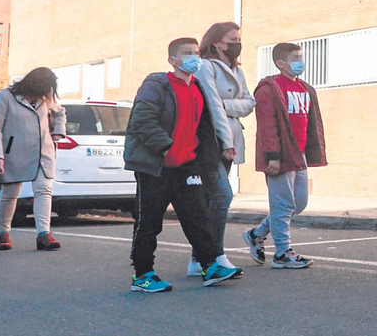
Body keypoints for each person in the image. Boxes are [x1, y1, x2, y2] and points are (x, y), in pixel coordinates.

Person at [124, 38, 241, 293]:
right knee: (149, 222)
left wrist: (203, 158)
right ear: (172, 60)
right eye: (187, 54)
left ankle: (210, 266)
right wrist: (167, 148)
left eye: (196, 53)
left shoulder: (197, 87)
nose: (194, 58)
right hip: (156, 166)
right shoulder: (157, 84)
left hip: (187, 166)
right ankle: (142, 275)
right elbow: (142, 121)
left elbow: (203, 127)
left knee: (197, 217)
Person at [242, 42, 327, 270]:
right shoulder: (270, 88)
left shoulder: (306, 88)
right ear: (281, 63)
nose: (300, 62)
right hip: (280, 156)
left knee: (298, 203)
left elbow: (311, 124)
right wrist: (273, 156)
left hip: (299, 154)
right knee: (282, 204)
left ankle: (256, 234)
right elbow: (267, 125)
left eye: (301, 57)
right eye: (295, 58)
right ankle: (282, 253)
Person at [193, 21, 252, 274]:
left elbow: (249, 104)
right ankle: (214, 256)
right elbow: (211, 104)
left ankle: (198, 261)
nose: (237, 44)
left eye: (238, 39)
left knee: (210, 200)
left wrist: (225, 103)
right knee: (222, 196)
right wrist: (226, 141)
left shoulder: (237, 71)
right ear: (216, 42)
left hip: (230, 138)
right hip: (212, 139)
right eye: (232, 39)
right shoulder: (206, 66)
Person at [0, 67, 67, 251]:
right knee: (9, 194)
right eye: (44, 89)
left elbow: (60, 112)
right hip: (13, 152)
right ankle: (3, 233)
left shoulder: (46, 96)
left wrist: (58, 133)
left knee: (44, 191)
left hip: (42, 152)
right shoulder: (6, 96)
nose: (46, 94)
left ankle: (44, 234)